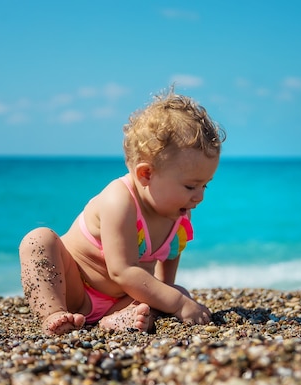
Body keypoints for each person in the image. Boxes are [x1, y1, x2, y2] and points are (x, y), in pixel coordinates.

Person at [19, 88, 226, 335]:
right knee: (38, 240)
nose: (199, 195)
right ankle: (53, 314)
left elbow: (166, 270)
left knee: (177, 292)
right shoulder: (120, 200)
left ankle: (117, 319)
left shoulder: (179, 213)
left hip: (124, 300)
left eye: (205, 185)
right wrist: (178, 304)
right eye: (191, 186)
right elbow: (122, 270)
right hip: (76, 290)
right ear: (146, 174)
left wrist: (170, 299)